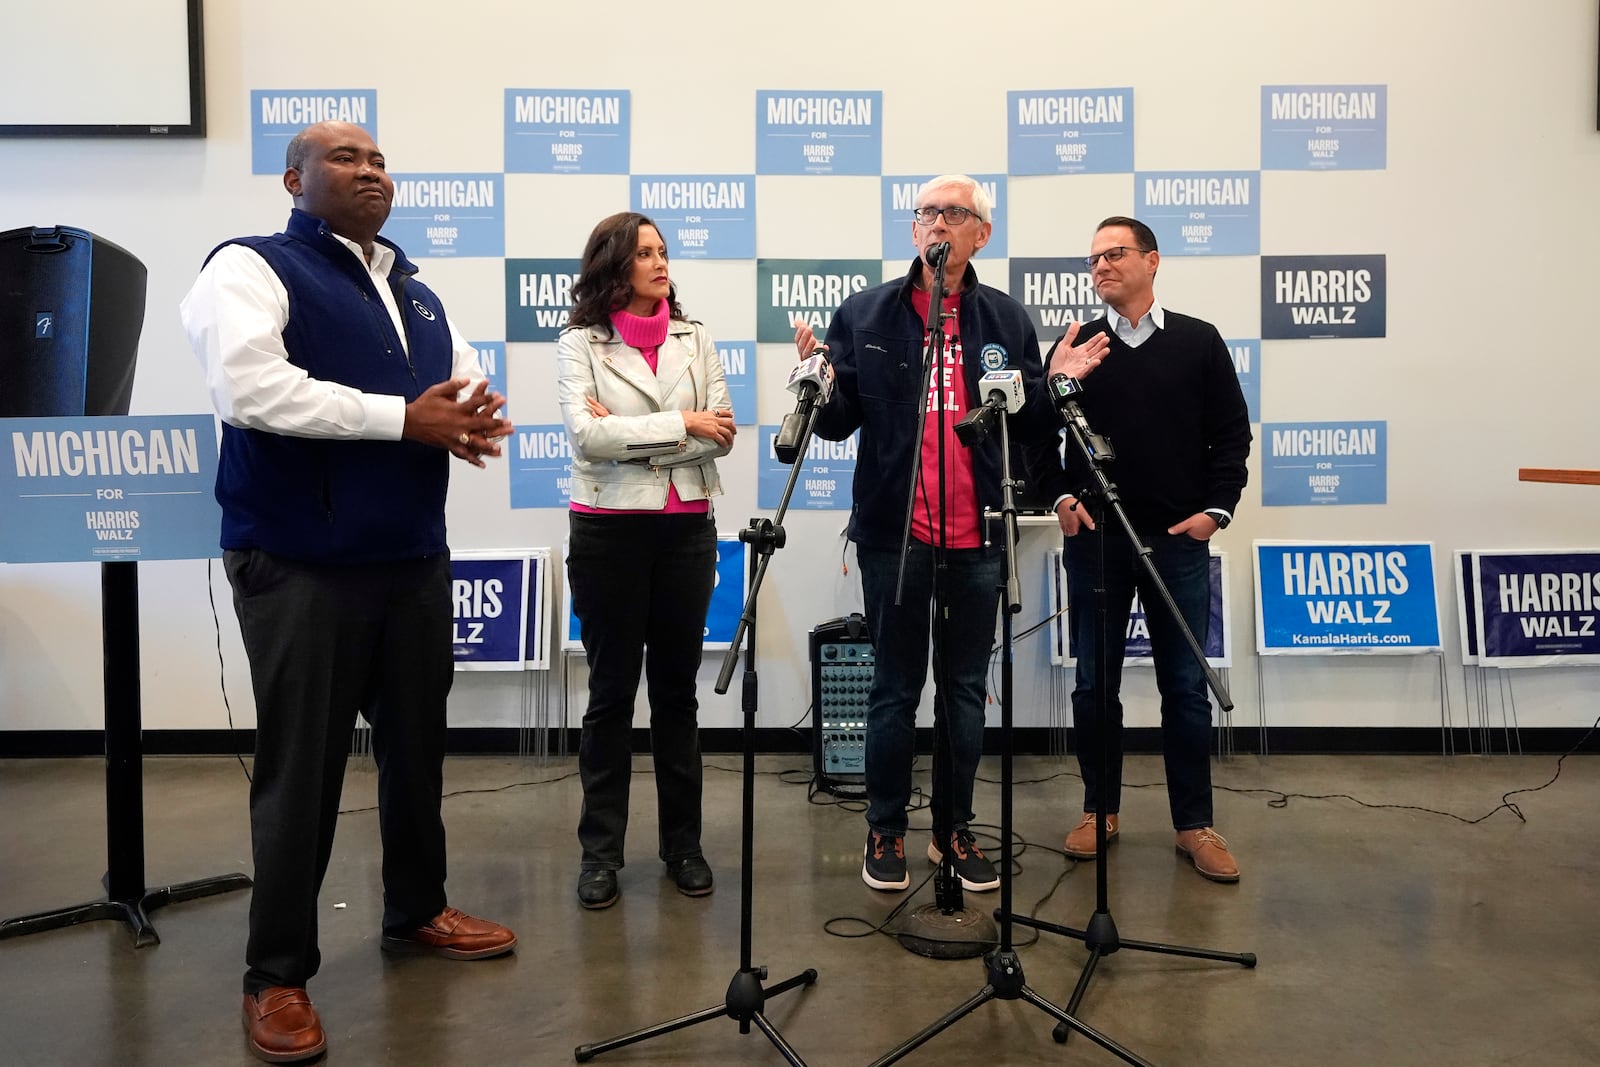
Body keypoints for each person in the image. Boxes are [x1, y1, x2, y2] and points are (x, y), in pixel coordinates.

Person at [180, 121, 517, 1065]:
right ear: (295, 178)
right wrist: (404, 419)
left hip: (409, 555)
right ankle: (276, 974)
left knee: (417, 754)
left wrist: (469, 409)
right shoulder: (249, 267)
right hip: (299, 562)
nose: (370, 171)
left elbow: (457, 382)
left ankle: (417, 910)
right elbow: (251, 388)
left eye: (378, 159)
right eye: (345, 158)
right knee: (304, 771)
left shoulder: (416, 289)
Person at [794, 175, 1109, 893]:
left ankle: (953, 829)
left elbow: (1027, 431)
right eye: (927, 213)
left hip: (978, 537)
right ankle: (885, 826)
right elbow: (840, 422)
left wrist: (1053, 382)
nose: (939, 224)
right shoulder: (867, 314)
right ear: (914, 231)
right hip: (893, 537)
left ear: (980, 234)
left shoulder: (1004, 319)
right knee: (894, 690)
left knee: (965, 689)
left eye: (954, 213)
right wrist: (819, 379)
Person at [1023, 215, 1252, 883]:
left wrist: (1215, 512)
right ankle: (1100, 809)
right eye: (1093, 257)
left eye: (1115, 253)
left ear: (1153, 261)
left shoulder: (1199, 343)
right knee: (1095, 683)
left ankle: (1195, 824)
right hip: (1096, 542)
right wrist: (1061, 498)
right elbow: (1040, 436)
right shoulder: (1077, 347)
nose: (1100, 266)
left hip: (1177, 543)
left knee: (1184, 686)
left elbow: (1230, 437)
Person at [557, 212, 736, 911]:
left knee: (676, 699)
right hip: (608, 535)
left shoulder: (698, 338)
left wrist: (638, 432)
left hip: (687, 532)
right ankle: (599, 854)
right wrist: (680, 424)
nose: (660, 263)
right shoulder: (578, 343)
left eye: (663, 251)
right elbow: (584, 438)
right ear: (612, 265)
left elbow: (719, 434)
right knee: (608, 698)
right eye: (644, 253)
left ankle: (683, 847)